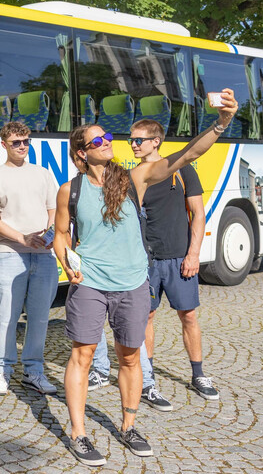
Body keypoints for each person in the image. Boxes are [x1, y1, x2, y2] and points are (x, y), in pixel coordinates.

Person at [52, 90, 237, 467]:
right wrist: (66, 261)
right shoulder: (69, 190)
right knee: (82, 355)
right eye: (98, 141)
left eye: (108, 138)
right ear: (81, 154)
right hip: (90, 283)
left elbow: (188, 155)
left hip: (134, 282)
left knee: (131, 357)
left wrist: (221, 122)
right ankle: (78, 432)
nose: (109, 143)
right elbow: (59, 234)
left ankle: (129, 426)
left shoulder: (134, 178)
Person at [89, 119, 216, 408]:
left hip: (178, 256)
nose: (133, 144)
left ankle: (198, 374)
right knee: (145, 317)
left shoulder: (181, 171)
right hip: (146, 259)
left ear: (155, 141)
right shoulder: (132, 176)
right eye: (131, 139)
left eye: (139, 140)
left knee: (189, 315)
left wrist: (193, 253)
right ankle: (148, 381)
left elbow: (198, 213)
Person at [0, 121, 61, 396]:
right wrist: (22, 238)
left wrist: (50, 233)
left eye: (26, 141)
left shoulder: (42, 173)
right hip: (9, 253)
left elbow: (54, 208)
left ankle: (34, 371)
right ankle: (2, 371)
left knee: (40, 317)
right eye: (16, 142)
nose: (22, 146)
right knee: (6, 316)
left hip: (44, 254)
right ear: (3, 144)